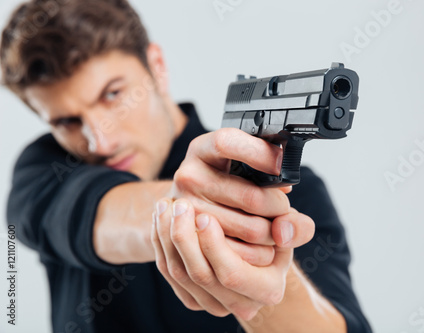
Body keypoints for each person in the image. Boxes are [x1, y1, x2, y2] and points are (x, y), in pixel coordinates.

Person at [1, 0, 372, 332]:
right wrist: (187, 207)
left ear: (157, 67)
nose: (101, 141)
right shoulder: (44, 167)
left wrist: (262, 289)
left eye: (113, 95)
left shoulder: (294, 190)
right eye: (67, 122)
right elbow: (88, 215)